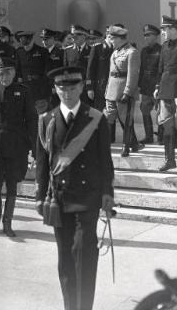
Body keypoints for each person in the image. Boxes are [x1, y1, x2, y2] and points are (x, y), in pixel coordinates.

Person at [35, 65, 114, 310]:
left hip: (87, 199)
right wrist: (40, 196)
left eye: (72, 87)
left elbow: (105, 160)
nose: (67, 93)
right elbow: (42, 163)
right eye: (62, 88)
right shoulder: (46, 120)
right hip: (59, 200)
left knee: (84, 254)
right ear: (55, 89)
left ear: (81, 87)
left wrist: (107, 194)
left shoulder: (96, 118)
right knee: (66, 258)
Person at [0, 57, 35, 237]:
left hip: (17, 146)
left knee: (12, 185)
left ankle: (7, 221)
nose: (4, 76)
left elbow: (32, 121)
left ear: (14, 73)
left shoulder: (24, 92)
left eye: (8, 72)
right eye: (1, 73)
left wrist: (33, 149)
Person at [154, 16, 177, 171]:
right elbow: (161, 68)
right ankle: (170, 160)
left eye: (165, 29)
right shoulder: (164, 46)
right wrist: (157, 86)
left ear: (173, 29)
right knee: (167, 126)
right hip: (165, 90)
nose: (163, 33)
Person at [105, 24, 142, 157]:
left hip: (123, 90)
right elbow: (111, 73)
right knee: (110, 117)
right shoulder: (115, 52)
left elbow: (133, 75)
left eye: (112, 38)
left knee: (125, 120)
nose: (110, 41)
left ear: (120, 38)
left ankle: (126, 146)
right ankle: (132, 143)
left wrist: (127, 92)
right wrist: (107, 91)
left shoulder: (132, 52)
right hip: (112, 90)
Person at [138, 24, 162, 144]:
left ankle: (162, 137)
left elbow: (162, 71)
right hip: (146, 86)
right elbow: (141, 69)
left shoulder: (162, 50)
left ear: (155, 36)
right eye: (145, 35)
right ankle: (149, 136)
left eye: (148, 35)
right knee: (145, 110)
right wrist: (139, 85)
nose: (146, 38)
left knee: (161, 112)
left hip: (157, 87)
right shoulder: (144, 51)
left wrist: (159, 86)